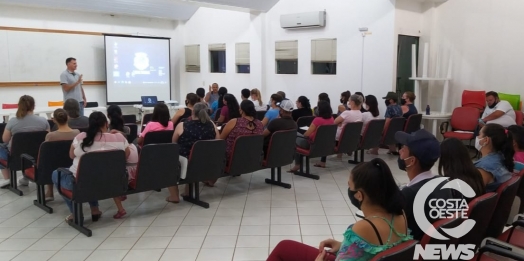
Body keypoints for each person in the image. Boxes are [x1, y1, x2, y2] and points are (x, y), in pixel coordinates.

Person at [268, 158, 411, 261]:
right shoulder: (400, 214)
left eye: (350, 186)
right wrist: (342, 245)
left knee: (282, 251)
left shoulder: (364, 227)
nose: (349, 189)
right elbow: (379, 247)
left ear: (359, 195)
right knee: (285, 247)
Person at [52, 112, 129, 222]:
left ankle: (75, 213)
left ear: (90, 125)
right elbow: (126, 155)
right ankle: (94, 209)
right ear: (107, 124)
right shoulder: (119, 137)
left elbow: (71, 155)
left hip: (83, 184)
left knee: (56, 173)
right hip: (110, 183)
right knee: (94, 173)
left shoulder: (81, 137)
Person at [395, 129, 453, 240]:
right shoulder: (443, 183)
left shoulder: (409, 194)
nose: (400, 152)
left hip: (411, 250)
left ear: (411, 161)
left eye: (403, 149)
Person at [166, 102, 220, 202]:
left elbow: (173, 144)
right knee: (192, 156)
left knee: (169, 160)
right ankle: (187, 192)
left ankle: (174, 196)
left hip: (187, 162)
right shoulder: (212, 124)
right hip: (207, 161)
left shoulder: (183, 125)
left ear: (193, 112)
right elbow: (217, 142)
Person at [1, 95, 49, 188]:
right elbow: (48, 139)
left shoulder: (13, 121)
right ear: (33, 106)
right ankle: (25, 177)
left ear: (19, 106)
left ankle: (8, 179)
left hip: (16, 155)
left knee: (2, 147)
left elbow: (5, 139)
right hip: (37, 154)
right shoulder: (43, 121)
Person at [43, 109, 80, 202]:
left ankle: (49, 192)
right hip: (72, 163)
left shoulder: (50, 136)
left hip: (54, 166)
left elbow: (45, 153)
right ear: (68, 118)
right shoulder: (77, 133)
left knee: (48, 161)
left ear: (54, 120)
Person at [316, 95, 363, 168]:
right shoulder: (360, 113)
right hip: (350, 139)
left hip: (338, 139)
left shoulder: (347, 113)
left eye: (349, 101)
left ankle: (322, 161)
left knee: (325, 134)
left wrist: (339, 123)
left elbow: (334, 122)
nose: (348, 102)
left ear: (352, 102)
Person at [288, 101, 334, 173]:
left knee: (294, 135)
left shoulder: (317, 120)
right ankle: (322, 162)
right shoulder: (331, 119)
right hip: (325, 144)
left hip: (312, 145)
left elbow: (306, 135)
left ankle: (297, 164)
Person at [474, 123, 514, 192]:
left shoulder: (484, 168)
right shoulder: (502, 157)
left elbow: (472, 193)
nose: (477, 137)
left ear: (486, 140)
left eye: (480, 134)